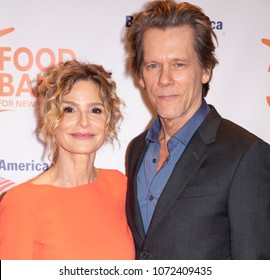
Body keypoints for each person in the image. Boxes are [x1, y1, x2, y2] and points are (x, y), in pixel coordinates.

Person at [125, 0, 270, 259]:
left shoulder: (246, 154)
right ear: (140, 76)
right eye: (153, 65)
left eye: (179, 64)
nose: (164, 79)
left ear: (205, 70)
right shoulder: (136, 150)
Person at [0, 60, 135, 260]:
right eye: (69, 110)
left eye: (95, 110)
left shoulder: (120, 186)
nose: (83, 121)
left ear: (108, 121)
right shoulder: (21, 203)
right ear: (51, 118)